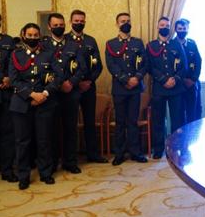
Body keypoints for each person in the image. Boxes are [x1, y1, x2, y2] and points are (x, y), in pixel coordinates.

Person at [9, 23, 63, 190]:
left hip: (45, 103)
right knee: (22, 142)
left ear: (40, 36)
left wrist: (44, 94)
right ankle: (23, 175)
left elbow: (59, 76)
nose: (32, 38)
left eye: (35, 35)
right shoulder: (16, 55)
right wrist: (32, 95)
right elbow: (14, 80)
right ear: (23, 35)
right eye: (29, 35)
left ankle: (46, 173)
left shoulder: (49, 54)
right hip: (21, 104)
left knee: (44, 140)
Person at [42, 13, 87, 174]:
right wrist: (59, 84)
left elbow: (82, 68)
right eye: (55, 25)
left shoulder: (73, 45)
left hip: (71, 93)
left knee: (70, 129)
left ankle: (70, 161)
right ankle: (52, 163)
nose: (59, 27)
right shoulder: (43, 44)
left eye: (61, 24)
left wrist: (72, 83)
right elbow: (42, 69)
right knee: (51, 130)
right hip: (52, 94)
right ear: (49, 26)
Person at [105, 13, 148, 165]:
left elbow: (144, 63)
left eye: (128, 21)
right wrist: (125, 79)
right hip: (120, 88)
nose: (126, 23)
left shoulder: (138, 43)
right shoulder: (111, 44)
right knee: (120, 122)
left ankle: (136, 152)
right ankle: (119, 154)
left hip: (135, 88)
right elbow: (111, 65)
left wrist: (136, 78)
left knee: (133, 121)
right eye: (123, 21)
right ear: (117, 24)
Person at [66, 10, 107, 163]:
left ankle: (93, 154)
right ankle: (70, 158)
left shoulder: (90, 40)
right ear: (71, 21)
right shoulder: (65, 40)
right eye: (76, 20)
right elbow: (62, 66)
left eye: (82, 21)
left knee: (89, 121)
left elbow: (98, 65)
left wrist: (89, 81)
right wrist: (76, 82)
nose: (79, 23)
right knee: (70, 123)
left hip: (89, 87)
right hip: (71, 88)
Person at [146, 16, 186, 159]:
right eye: (162, 25)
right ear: (158, 27)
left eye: (167, 25)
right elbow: (149, 66)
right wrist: (164, 80)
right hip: (159, 88)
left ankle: (176, 147)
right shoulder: (151, 46)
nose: (165, 27)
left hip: (176, 88)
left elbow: (184, 66)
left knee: (177, 119)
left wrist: (174, 79)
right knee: (158, 119)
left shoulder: (176, 45)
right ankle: (158, 149)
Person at [0, 13, 17, 183]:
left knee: (7, 134)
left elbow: (14, 63)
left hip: (5, 94)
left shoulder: (8, 41)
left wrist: (8, 77)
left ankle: (7, 169)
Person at [174, 19, 201, 123]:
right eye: (180, 29)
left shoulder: (192, 43)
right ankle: (179, 138)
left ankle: (192, 138)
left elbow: (198, 61)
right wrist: (181, 79)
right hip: (178, 84)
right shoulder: (172, 44)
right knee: (178, 115)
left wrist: (193, 79)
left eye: (184, 28)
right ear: (176, 29)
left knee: (193, 114)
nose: (182, 30)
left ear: (188, 29)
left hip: (192, 84)